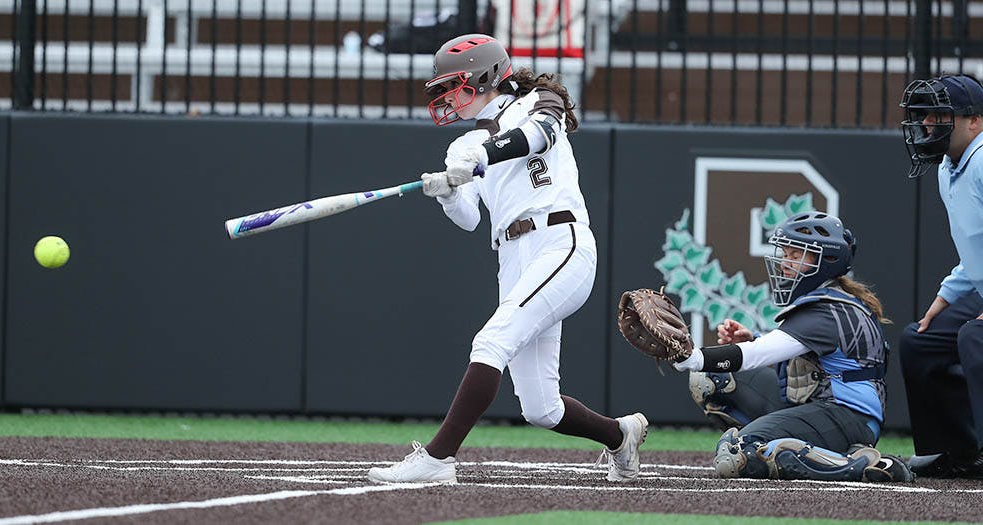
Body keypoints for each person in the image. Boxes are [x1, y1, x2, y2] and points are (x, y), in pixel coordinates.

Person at [366, 34, 647, 484]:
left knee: (491, 341)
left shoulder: (541, 98)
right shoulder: (462, 145)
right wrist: (447, 192)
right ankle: (621, 435)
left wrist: (480, 156)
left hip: (561, 241)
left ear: (485, 75)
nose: (446, 97)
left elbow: (539, 135)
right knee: (541, 408)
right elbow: (469, 219)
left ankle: (437, 460)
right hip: (512, 254)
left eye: (453, 85)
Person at [673, 212, 913, 482]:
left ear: (826, 261)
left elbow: (756, 355)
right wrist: (751, 337)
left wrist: (691, 357)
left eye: (796, 255)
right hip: (818, 405)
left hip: (849, 418)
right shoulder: (826, 300)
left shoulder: (825, 311)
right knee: (711, 378)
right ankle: (788, 443)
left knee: (738, 453)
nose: (785, 262)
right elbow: (807, 363)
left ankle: (857, 465)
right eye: (785, 253)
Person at [897, 73, 983, 478]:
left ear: (975, 121)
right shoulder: (948, 169)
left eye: (941, 114)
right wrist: (945, 297)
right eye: (926, 114)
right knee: (920, 340)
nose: (929, 123)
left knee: (976, 338)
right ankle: (956, 453)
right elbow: (974, 254)